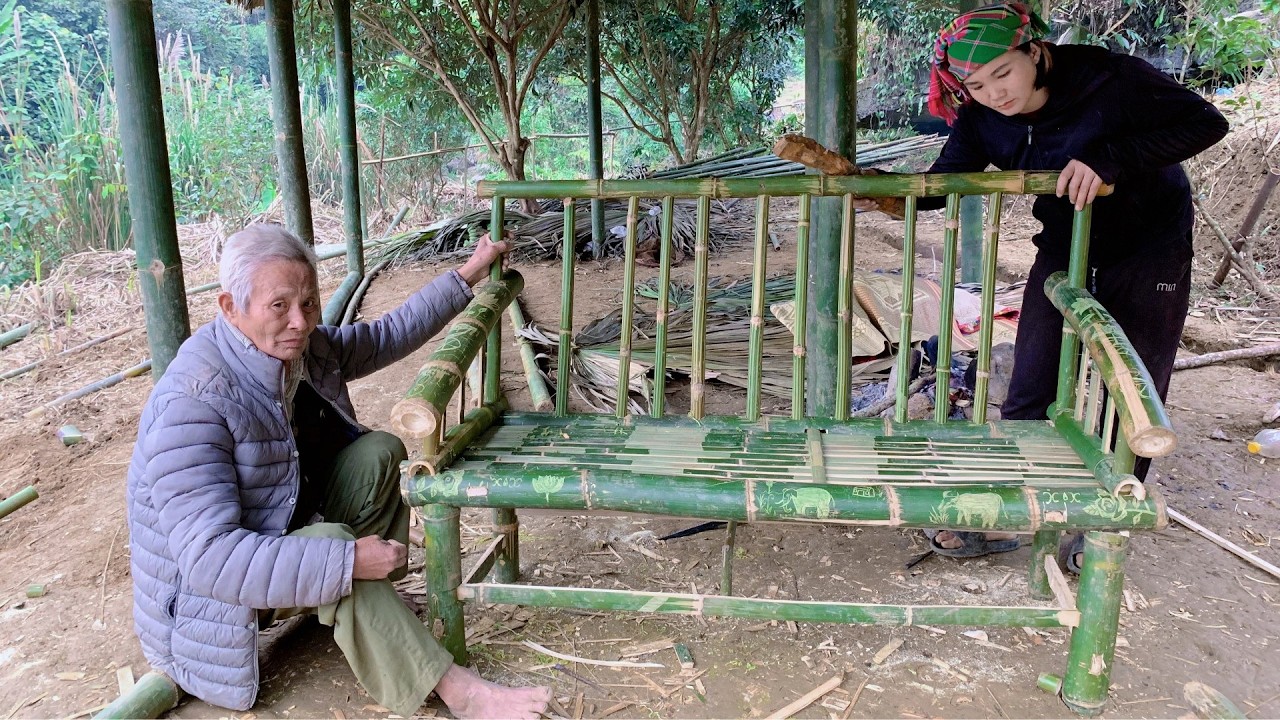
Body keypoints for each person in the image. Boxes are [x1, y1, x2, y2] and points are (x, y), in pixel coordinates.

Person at [125, 224, 551, 719]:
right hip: (210, 604)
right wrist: (346, 561)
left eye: (309, 303)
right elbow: (210, 560)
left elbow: (386, 335)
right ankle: (458, 690)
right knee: (331, 546)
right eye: (279, 306)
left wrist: (468, 273)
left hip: (276, 535)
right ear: (229, 307)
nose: (300, 322)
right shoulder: (193, 402)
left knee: (378, 452)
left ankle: (362, 605)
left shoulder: (299, 347)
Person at [862, 3, 1228, 563]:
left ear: (1035, 52)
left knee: (1133, 379)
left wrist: (1110, 158)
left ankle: (1103, 523)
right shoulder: (982, 117)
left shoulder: (1112, 78)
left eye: (1004, 73)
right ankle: (1009, 510)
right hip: (1063, 242)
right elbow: (945, 183)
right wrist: (878, 191)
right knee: (1031, 378)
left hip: (1149, 244)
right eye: (977, 85)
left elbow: (1207, 123)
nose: (995, 94)